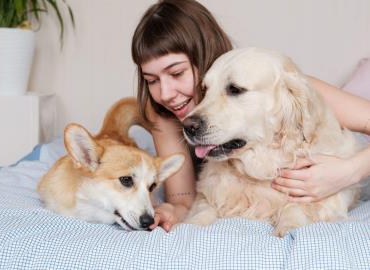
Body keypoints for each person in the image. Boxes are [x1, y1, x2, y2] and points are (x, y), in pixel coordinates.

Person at [131, 0, 370, 232]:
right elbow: (183, 198)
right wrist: (173, 211)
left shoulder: (286, 85)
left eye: (177, 72)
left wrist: (348, 172)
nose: (165, 93)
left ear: (203, 58)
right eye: (151, 80)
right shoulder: (163, 113)